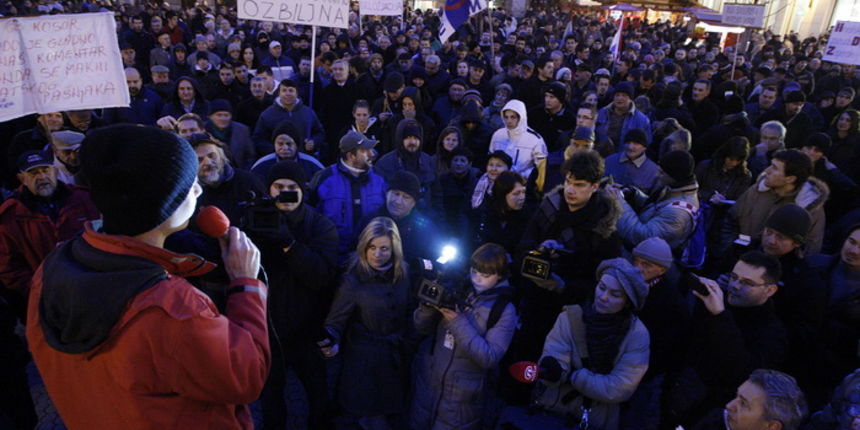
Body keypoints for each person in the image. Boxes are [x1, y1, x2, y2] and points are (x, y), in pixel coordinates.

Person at [26, 124, 270, 429]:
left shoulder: (50, 269)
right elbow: (247, 377)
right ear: (163, 206)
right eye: (189, 185)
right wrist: (246, 285)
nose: (199, 189)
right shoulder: (174, 309)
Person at [254, 161, 338, 430]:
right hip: (268, 330)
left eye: (292, 188)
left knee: (318, 397)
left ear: (302, 191)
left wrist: (289, 243)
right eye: (279, 187)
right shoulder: (257, 221)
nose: (285, 193)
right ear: (269, 190)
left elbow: (321, 278)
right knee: (271, 401)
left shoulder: (320, 226)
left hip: (307, 331)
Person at [521, 258, 649, 430]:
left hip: (596, 419)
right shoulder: (570, 317)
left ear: (628, 301)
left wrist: (575, 376)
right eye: (601, 287)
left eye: (615, 294)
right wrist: (553, 371)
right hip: (554, 410)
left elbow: (619, 388)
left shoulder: (637, 335)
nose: (603, 297)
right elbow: (554, 357)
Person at [665, 251, 788, 428]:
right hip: (678, 394)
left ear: (769, 290)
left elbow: (741, 374)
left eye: (747, 283)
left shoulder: (772, 334)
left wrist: (720, 317)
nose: (735, 286)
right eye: (734, 277)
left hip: (711, 414)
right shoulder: (713, 301)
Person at [410, 243, 518, 430]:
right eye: (474, 271)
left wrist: (457, 321)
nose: (477, 279)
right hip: (429, 384)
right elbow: (421, 328)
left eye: (485, 275)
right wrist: (427, 306)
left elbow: (489, 357)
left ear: (500, 275)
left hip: (462, 399)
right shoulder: (459, 288)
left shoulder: (504, 310)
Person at [320, 217, 415, 430]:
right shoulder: (353, 279)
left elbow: (409, 311)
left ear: (394, 249)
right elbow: (335, 321)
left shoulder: (404, 273)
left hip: (395, 359)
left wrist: (410, 342)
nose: (377, 254)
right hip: (363, 363)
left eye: (384, 248)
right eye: (372, 247)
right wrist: (331, 342)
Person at [0, 149, 100, 315]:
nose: (41, 177)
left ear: (54, 171)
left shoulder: (84, 199)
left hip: (94, 288)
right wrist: (42, 290)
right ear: (22, 179)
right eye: (33, 173)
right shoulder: (10, 217)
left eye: (45, 170)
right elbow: (9, 267)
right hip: (49, 303)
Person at [727, 149, 829, 255]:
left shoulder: (810, 208)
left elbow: (810, 249)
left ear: (790, 179)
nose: (767, 170)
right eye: (771, 165)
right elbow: (730, 220)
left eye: (775, 168)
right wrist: (729, 248)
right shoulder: (756, 190)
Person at [309, 130, 387, 263]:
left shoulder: (380, 178)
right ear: (351, 155)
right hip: (333, 258)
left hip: (371, 259)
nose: (371, 154)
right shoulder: (324, 177)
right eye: (364, 151)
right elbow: (312, 215)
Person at [612, 150, 700, 251]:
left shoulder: (678, 215)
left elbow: (641, 237)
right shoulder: (675, 189)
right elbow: (657, 207)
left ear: (674, 176)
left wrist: (618, 201)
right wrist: (634, 194)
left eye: (662, 172)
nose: (657, 175)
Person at [692, 369, 807, 430]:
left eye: (743, 404)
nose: (729, 405)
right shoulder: (714, 421)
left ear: (772, 427)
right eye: (736, 397)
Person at [190, 134, 266, 226]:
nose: (207, 162)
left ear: (222, 157)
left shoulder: (249, 182)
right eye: (199, 160)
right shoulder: (189, 193)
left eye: (212, 156)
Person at [252, 79, 326, 158]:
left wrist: (313, 142)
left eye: (291, 91)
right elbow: (258, 138)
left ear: (297, 93)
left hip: (303, 157)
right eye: (284, 90)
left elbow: (320, 133)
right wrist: (275, 149)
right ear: (279, 93)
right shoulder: (267, 114)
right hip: (276, 159)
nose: (287, 94)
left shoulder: (308, 112)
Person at [472, 171, 531, 254]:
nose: (522, 197)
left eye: (523, 192)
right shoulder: (486, 214)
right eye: (516, 194)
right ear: (503, 194)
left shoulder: (527, 216)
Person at [489, 99, 548, 179]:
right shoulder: (498, 134)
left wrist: (522, 176)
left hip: (521, 183)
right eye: (506, 117)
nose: (508, 121)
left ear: (521, 117)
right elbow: (490, 157)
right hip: (496, 181)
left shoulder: (535, 139)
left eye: (513, 117)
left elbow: (541, 167)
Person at [251, 121, 324, 186]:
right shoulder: (261, 165)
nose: (285, 148)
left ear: (296, 145)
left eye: (289, 144)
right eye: (280, 144)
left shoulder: (312, 164)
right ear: (274, 144)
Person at [375, 118, 436, 189]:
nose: (412, 142)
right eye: (408, 138)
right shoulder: (385, 164)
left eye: (416, 138)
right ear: (400, 139)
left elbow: (436, 193)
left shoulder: (428, 161)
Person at [595, 82, 652, 152]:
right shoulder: (602, 113)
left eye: (624, 95)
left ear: (630, 98)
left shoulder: (642, 120)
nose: (620, 98)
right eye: (617, 95)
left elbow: (646, 144)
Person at [604, 128, 662, 196]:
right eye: (628, 143)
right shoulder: (610, 161)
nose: (630, 147)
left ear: (644, 147)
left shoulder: (653, 171)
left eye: (636, 144)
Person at [205, 99, 257, 170]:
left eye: (226, 115)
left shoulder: (242, 130)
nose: (223, 118)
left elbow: (250, 156)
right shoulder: (203, 130)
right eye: (219, 115)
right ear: (210, 117)